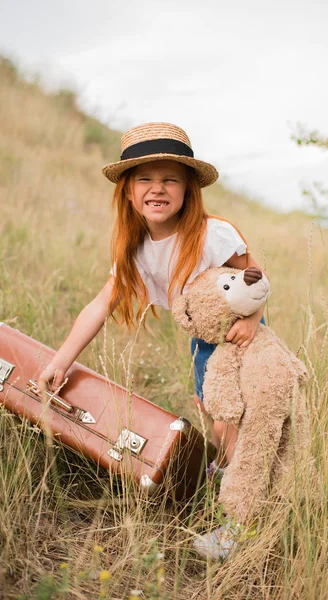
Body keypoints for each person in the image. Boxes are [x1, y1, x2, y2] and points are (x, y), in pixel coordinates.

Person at [39, 122, 267, 472]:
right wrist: (60, 362)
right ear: (128, 191)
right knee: (209, 408)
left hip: (240, 331)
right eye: (144, 179)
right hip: (203, 337)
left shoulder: (212, 235)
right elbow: (101, 305)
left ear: (188, 190)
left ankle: (238, 509)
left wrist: (252, 321)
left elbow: (257, 277)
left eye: (170, 180)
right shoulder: (134, 249)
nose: (157, 189)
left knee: (230, 416)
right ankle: (221, 472)